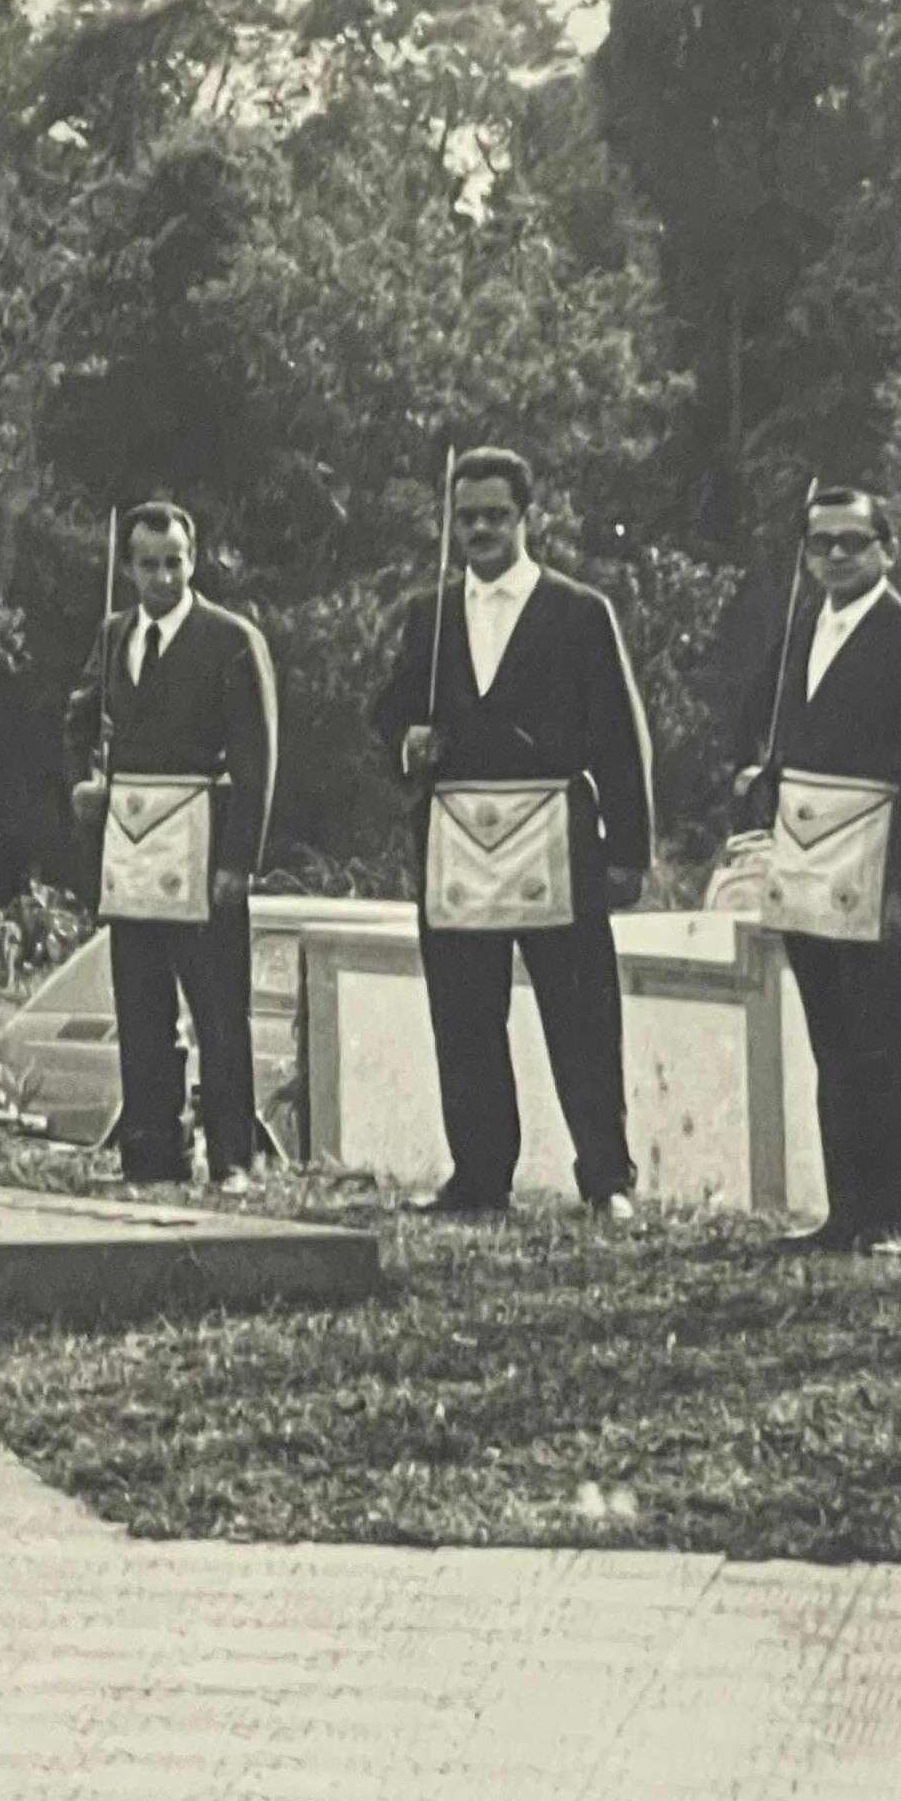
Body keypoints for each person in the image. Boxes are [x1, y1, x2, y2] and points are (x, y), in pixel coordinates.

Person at [367, 446, 656, 1221]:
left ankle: (606, 1179)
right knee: (462, 1014)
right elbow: (389, 710)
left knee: (581, 1015)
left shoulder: (578, 610)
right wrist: (408, 744)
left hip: (552, 837)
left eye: (495, 516)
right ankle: (478, 1176)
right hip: (456, 837)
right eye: (465, 519)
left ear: (527, 518)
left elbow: (621, 738)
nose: (479, 531)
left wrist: (629, 851)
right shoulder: (428, 614)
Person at [730, 488, 901, 1254]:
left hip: (874, 873)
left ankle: (893, 1217)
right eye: (820, 543)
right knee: (831, 1040)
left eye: (852, 542)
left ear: (887, 550)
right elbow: (773, 738)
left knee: (885, 1041)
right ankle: (845, 1212)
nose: (835, 555)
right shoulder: (800, 631)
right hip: (806, 866)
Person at [66, 501, 277, 1194]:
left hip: (201, 845)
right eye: (148, 564)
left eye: (174, 562)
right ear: (127, 568)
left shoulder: (228, 638)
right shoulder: (112, 632)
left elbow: (255, 757)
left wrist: (237, 861)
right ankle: (151, 1155)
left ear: (194, 560)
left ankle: (232, 1159)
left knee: (218, 1011)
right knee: (139, 1004)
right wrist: (83, 785)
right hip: (131, 848)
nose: (162, 577)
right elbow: (79, 720)